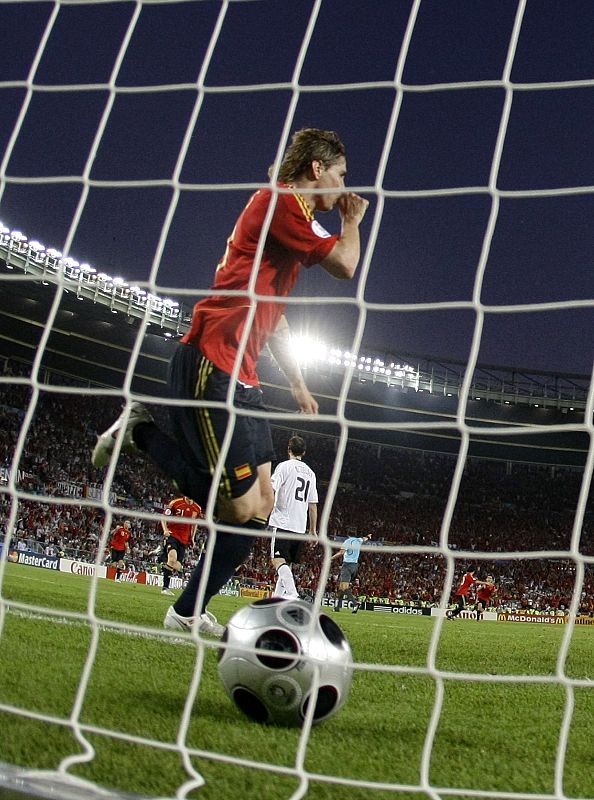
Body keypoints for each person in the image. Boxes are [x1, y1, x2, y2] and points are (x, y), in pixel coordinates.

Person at [92, 128, 369, 636]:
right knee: (239, 506)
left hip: (242, 377)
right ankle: (139, 434)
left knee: (259, 512)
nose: (345, 184)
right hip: (210, 363)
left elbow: (276, 320)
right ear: (316, 169)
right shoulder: (283, 204)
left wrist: (298, 382)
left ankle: (185, 613)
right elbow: (346, 265)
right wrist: (352, 221)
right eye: (341, 174)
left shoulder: (291, 219)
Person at [268, 435, 318, 600]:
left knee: (277, 560)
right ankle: (277, 600)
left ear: (288, 449)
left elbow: (271, 489)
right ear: (303, 452)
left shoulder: (284, 467)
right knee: (286, 564)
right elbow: (312, 505)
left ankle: (293, 595)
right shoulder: (310, 473)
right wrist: (312, 530)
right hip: (300, 526)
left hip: (283, 521)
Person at [157, 496, 203, 596]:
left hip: (184, 539)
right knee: (172, 559)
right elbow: (164, 517)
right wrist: (165, 530)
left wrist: (192, 537)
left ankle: (162, 560)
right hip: (172, 535)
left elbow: (195, 524)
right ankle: (165, 588)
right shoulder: (176, 503)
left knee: (177, 567)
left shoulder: (197, 508)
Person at [331, 532, 372, 613]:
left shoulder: (347, 542)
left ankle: (355, 604)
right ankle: (337, 607)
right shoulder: (358, 540)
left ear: (347, 535)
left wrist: (330, 558)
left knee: (344, 587)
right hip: (355, 566)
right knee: (341, 587)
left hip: (347, 565)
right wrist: (368, 536)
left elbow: (341, 553)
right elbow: (364, 538)